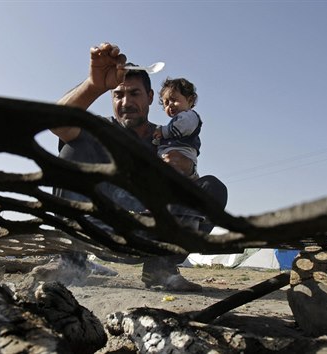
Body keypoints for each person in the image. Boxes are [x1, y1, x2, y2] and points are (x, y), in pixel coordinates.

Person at [50, 42, 227, 292]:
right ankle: (72, 264)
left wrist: (187, 172)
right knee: (71, 150)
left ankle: (160, 269)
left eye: (134, 93)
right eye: (118, 94)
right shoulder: (101, 130)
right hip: (102, 231)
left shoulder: (167, 138)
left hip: (151, 235)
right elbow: (56, 123)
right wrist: (94, 85)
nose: (126, 102)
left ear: (151, 97)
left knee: (212, 188)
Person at [153, 78, 201, 180]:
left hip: (182, 154)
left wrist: (163, 131)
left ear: (190, 100)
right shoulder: (177, 120)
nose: (170, 104)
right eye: (166, 103)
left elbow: (182, 127)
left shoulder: (189, 116)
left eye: (174, 100)